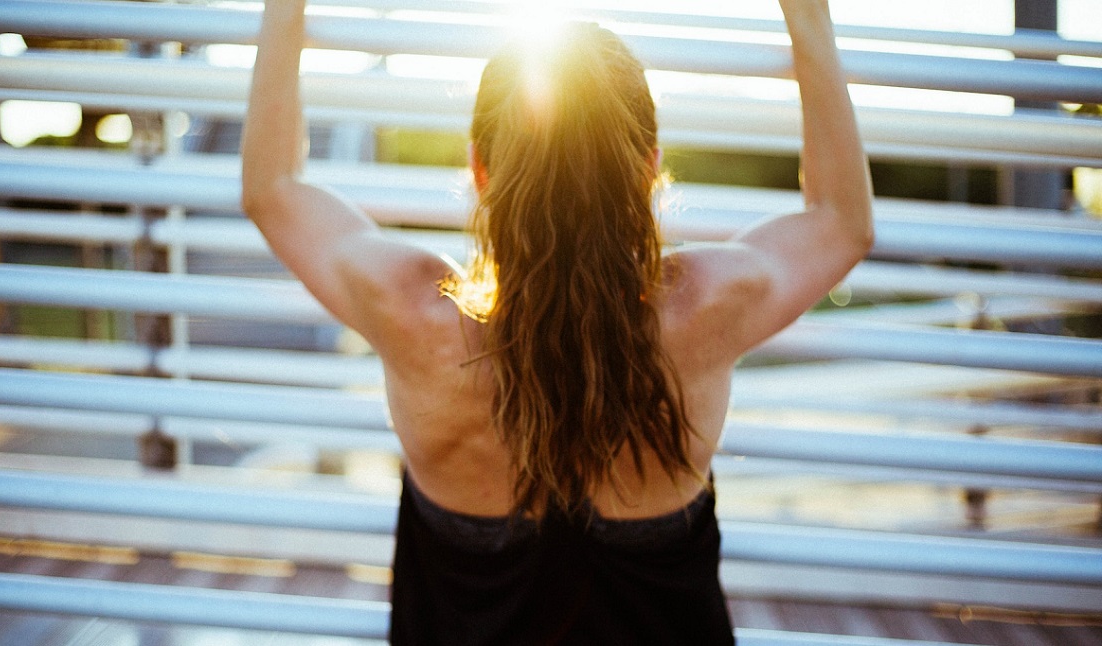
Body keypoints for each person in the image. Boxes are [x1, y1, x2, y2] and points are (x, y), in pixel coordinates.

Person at [242, 0, 873, 643]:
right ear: (649, 170)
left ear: (479, 169)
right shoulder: (704, 306)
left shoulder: (416, 312)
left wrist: (286, 8)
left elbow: (273, 191)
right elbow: (841, 223)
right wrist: (808, 21)